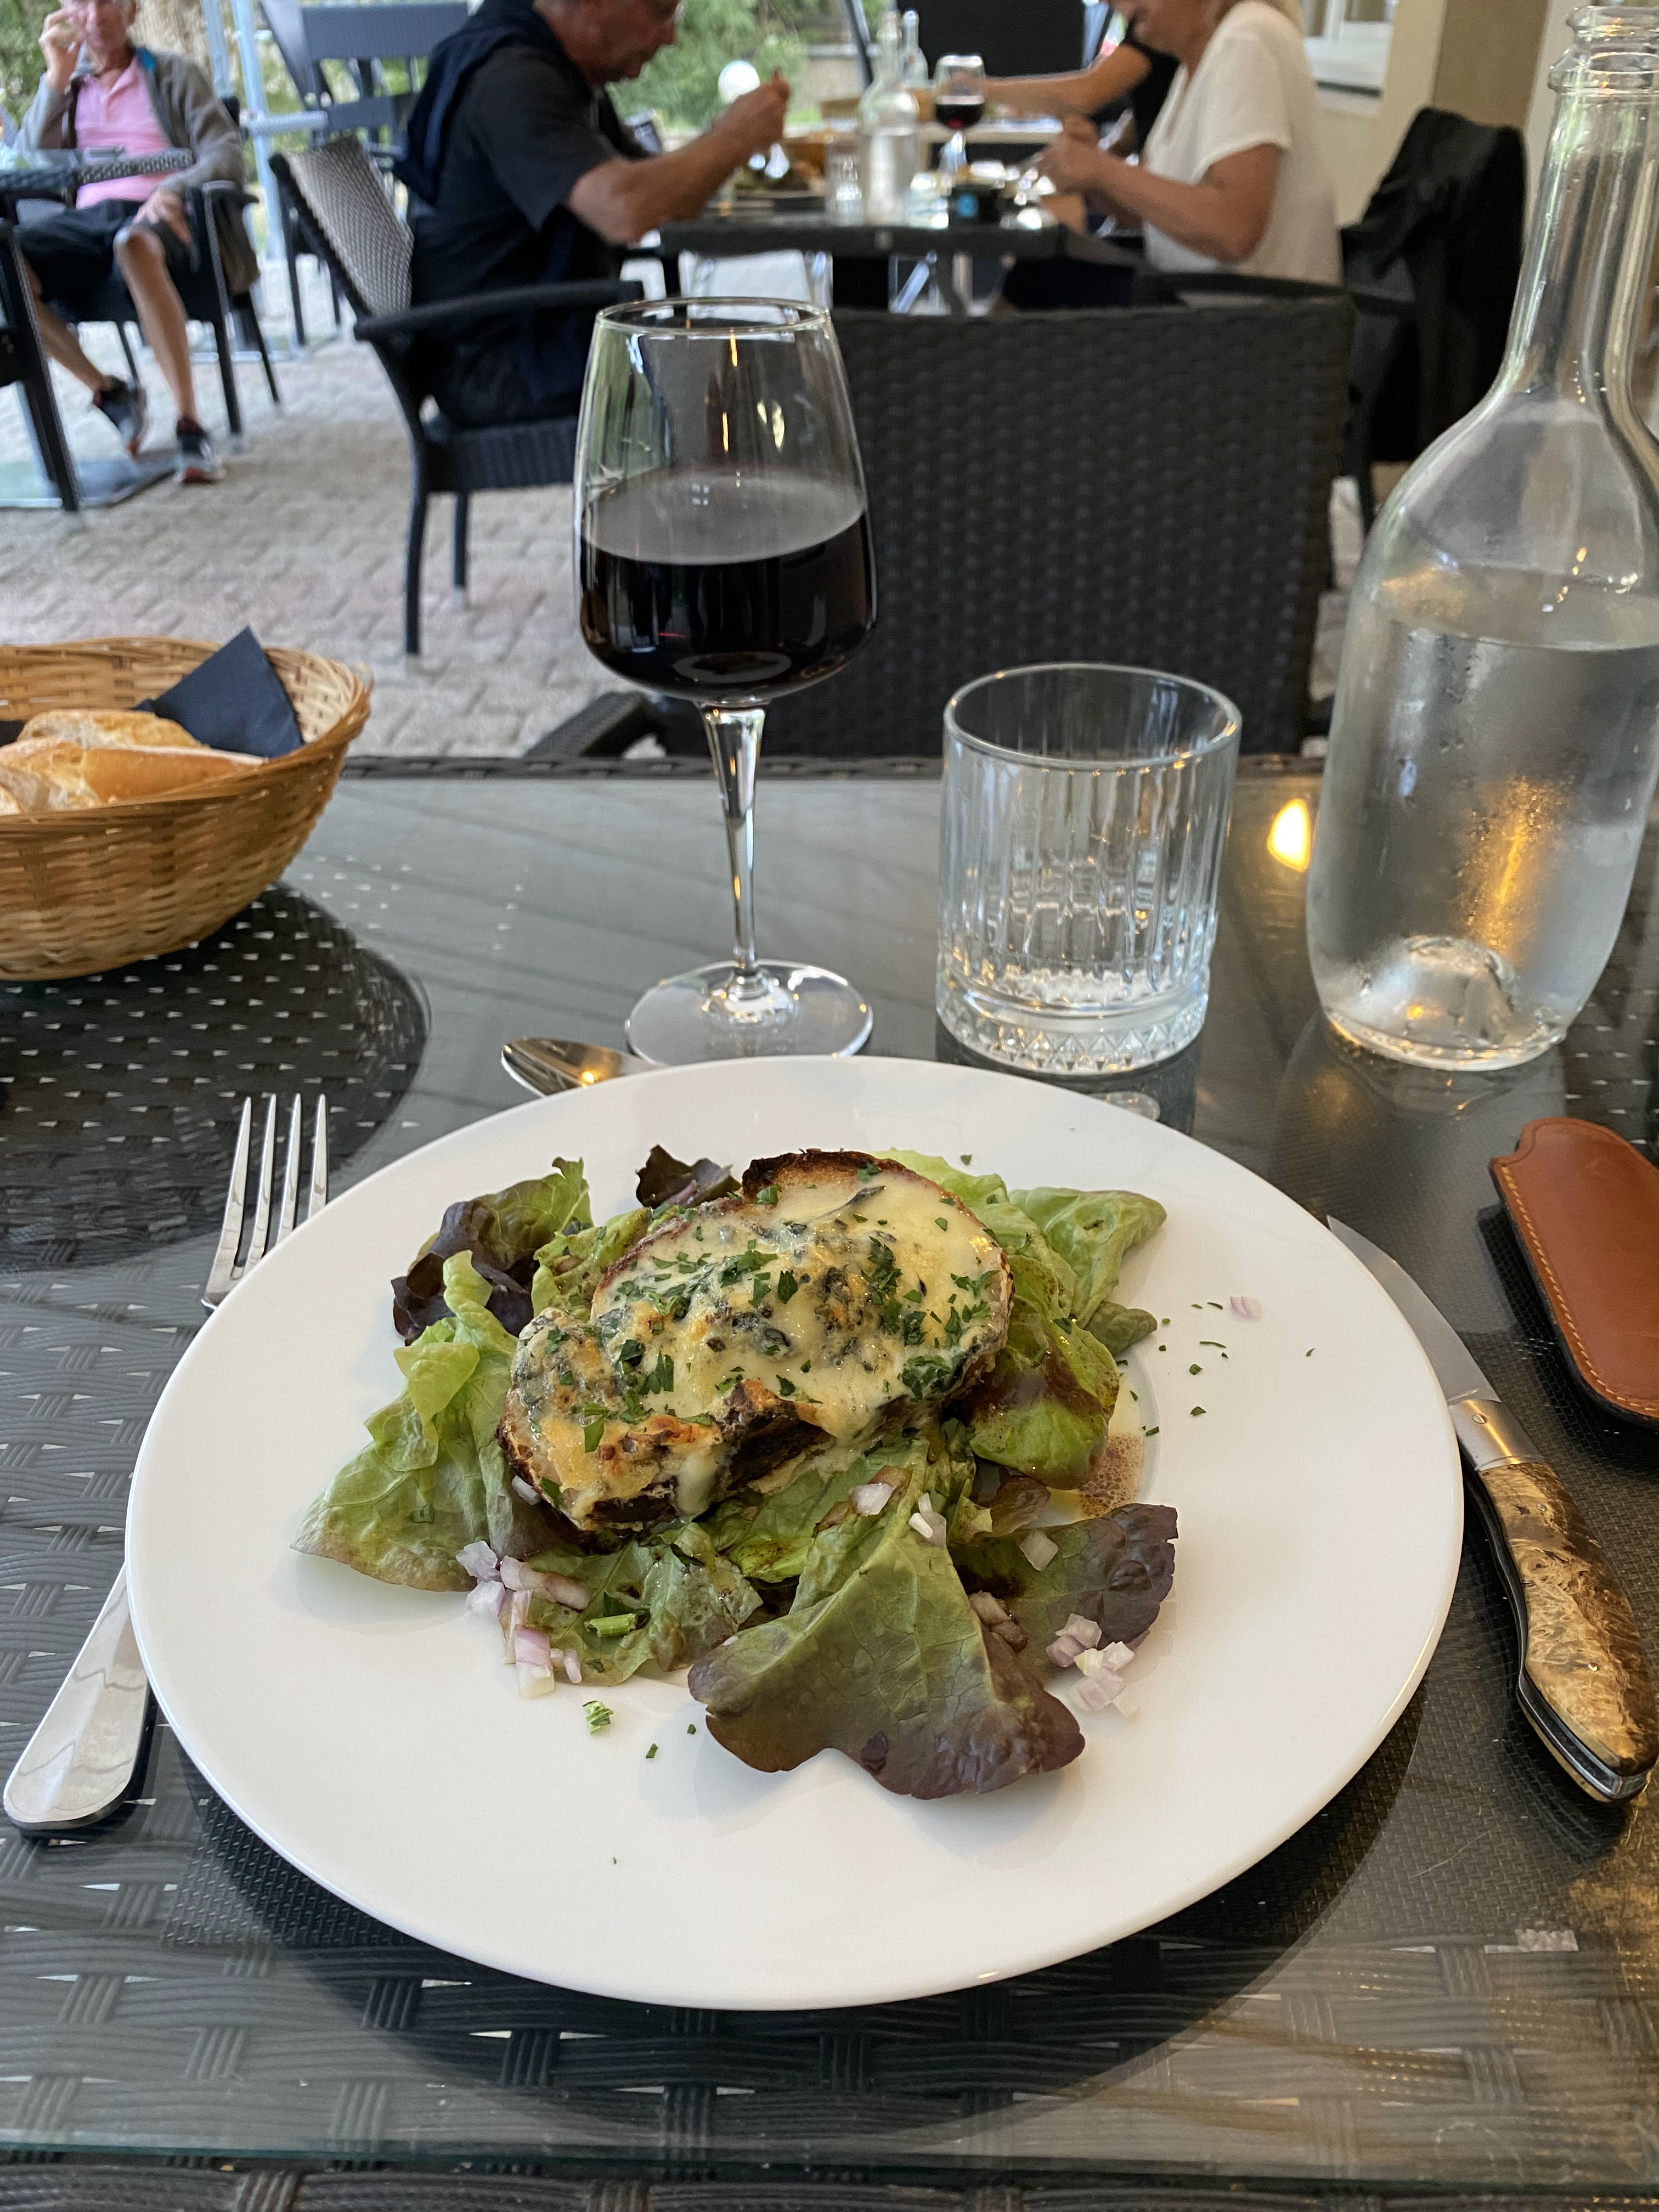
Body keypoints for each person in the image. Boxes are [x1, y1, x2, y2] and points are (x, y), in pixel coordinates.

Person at [398, 0, 791, 430]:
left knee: (767, 356)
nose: (671, 36)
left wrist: (728, 140)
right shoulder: (511, 78)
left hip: (545, 340)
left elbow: (660, 192)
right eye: (660, 11)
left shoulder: (561, 72)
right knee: (765, 366)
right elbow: (625, 210)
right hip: (508, 368)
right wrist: (732, 138)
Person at [18, 0, 251, 483]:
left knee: (133, 245)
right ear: (65, 12)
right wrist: (56, 78)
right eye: (82, 2)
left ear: (133, 9)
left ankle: (190, 426)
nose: (95, 14)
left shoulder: (174, 74)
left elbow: (225, 153)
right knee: (6, 266)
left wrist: (175, 188)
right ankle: (108, 392)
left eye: (108, 1)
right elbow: (29, 164)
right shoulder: (70, 87)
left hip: (161, 216)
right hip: (87, 220)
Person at [1038, 0, 1338, 284]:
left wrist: (1103, 171)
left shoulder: (1248, 37)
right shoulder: (1194, 64)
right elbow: (1148, 215)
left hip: (1255, 314)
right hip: (1189, 297)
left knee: (1038, 282)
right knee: (1037, 273)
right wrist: (1091, 174)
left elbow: (1233, 230)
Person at [989, 12, 1178, 163]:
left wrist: (985, 90)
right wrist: (1103, 156)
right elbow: (1149, 103)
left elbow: (1087, 93)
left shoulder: (1157, 20)